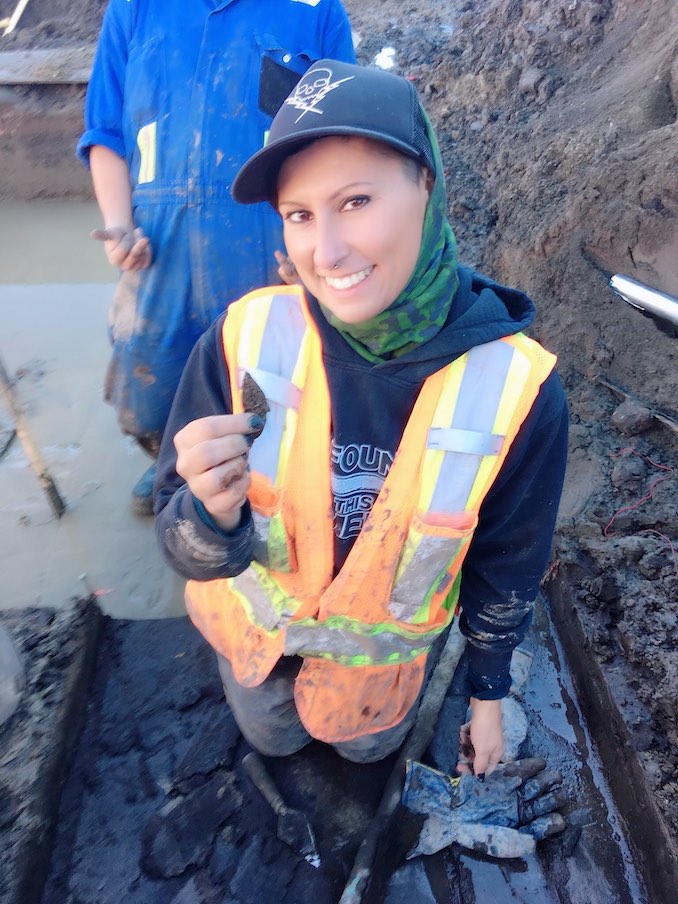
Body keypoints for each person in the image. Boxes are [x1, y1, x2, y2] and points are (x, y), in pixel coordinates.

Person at [154, 60, 569, 773]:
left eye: (355, 201)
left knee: (366, 751)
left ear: (426, 184)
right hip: (253, 654)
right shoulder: (244, 340)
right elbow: (177, 532)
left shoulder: (517, 390)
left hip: (377, 683)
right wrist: (208, 516)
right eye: (299, 215)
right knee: (272, 740)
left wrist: (488, 695)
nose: (327, 250)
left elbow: (509, 564)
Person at [77, 0, 355, 514]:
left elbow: (337, 144)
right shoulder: (135, 9)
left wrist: (315, 244)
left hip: (268, 246)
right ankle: (169, 466)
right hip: (159, 249)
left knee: (271, 382)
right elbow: (106, 134)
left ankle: (265, 485)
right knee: (150, 386)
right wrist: (120, 225)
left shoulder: (316, 11)